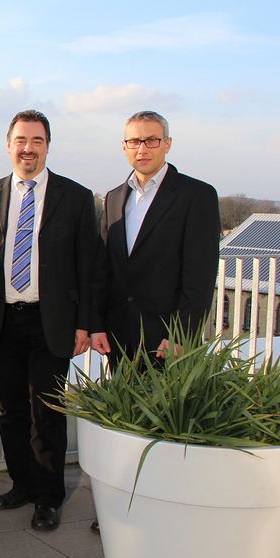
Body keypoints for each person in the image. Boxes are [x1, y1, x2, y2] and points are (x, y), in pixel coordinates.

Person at [88, 111, 221, 533]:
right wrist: (98, 324)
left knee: (166, 426)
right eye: (133, 142)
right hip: (122, 334)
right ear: (124, 146)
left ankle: (163, 511)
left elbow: (200, 277)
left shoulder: (196, 195)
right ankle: (123, 507)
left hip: (167, 337)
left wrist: (182, 335)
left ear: (167, 144)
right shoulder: (113, 197)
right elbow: (105, 270)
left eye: (150, 140)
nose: (141, 149)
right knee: (126, 425)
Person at [0, 110, 96, 531]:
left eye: (37, 141)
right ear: (9, 144)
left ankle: (49, 497)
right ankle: (22, 484)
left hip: (53, 322)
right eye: (21, 140)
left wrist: (85, 323)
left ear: (48, 145)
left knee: (47, 411)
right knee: (11, 411)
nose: (28, 149)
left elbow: (89, 265)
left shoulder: (76, 197)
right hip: (2, 320)